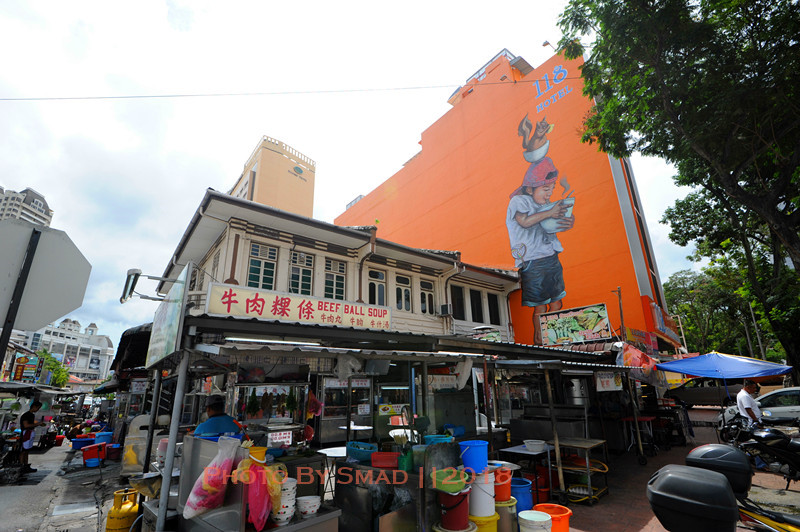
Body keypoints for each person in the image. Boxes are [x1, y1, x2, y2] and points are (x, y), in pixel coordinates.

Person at [506, 157, 575, 344]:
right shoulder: (519, 201)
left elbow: (549, 226)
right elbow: (525, 222)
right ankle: (540, 341)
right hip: (532, 262)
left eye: (551, 189)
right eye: (546, 189)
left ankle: (556, 339)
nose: (549, 193)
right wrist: (550, 213)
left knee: (556, 303)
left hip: (551, 257)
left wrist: (566, 222)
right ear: (530, 188)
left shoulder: (545, 205)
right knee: (540, 307)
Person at [19, 400, 46, 473]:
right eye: (38, 408)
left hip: (30, 433)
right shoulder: (26, 415)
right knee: (23, 451)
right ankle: (21, 466)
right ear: (34, 407)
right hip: (26, 434)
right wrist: (37, 424)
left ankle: (26, 465)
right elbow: (26, 425)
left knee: (27, 451)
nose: (38, 410)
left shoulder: (31, 415)